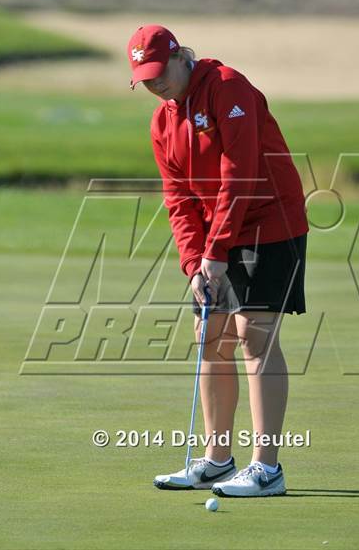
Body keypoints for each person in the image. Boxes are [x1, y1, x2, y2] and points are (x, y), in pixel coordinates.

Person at [127, 25, 309, 497]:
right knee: (210, 335)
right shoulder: (162, 122)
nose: (155, 83)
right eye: (144, 78)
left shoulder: (229, 88)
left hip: (271, 221)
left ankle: (267, 469)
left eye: (159, 71)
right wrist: (195, 262)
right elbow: (179, 197)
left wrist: (217, 249)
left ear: (179, 57)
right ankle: (216, 460)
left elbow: (241, 172)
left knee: (254, 335)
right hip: (219, 236)